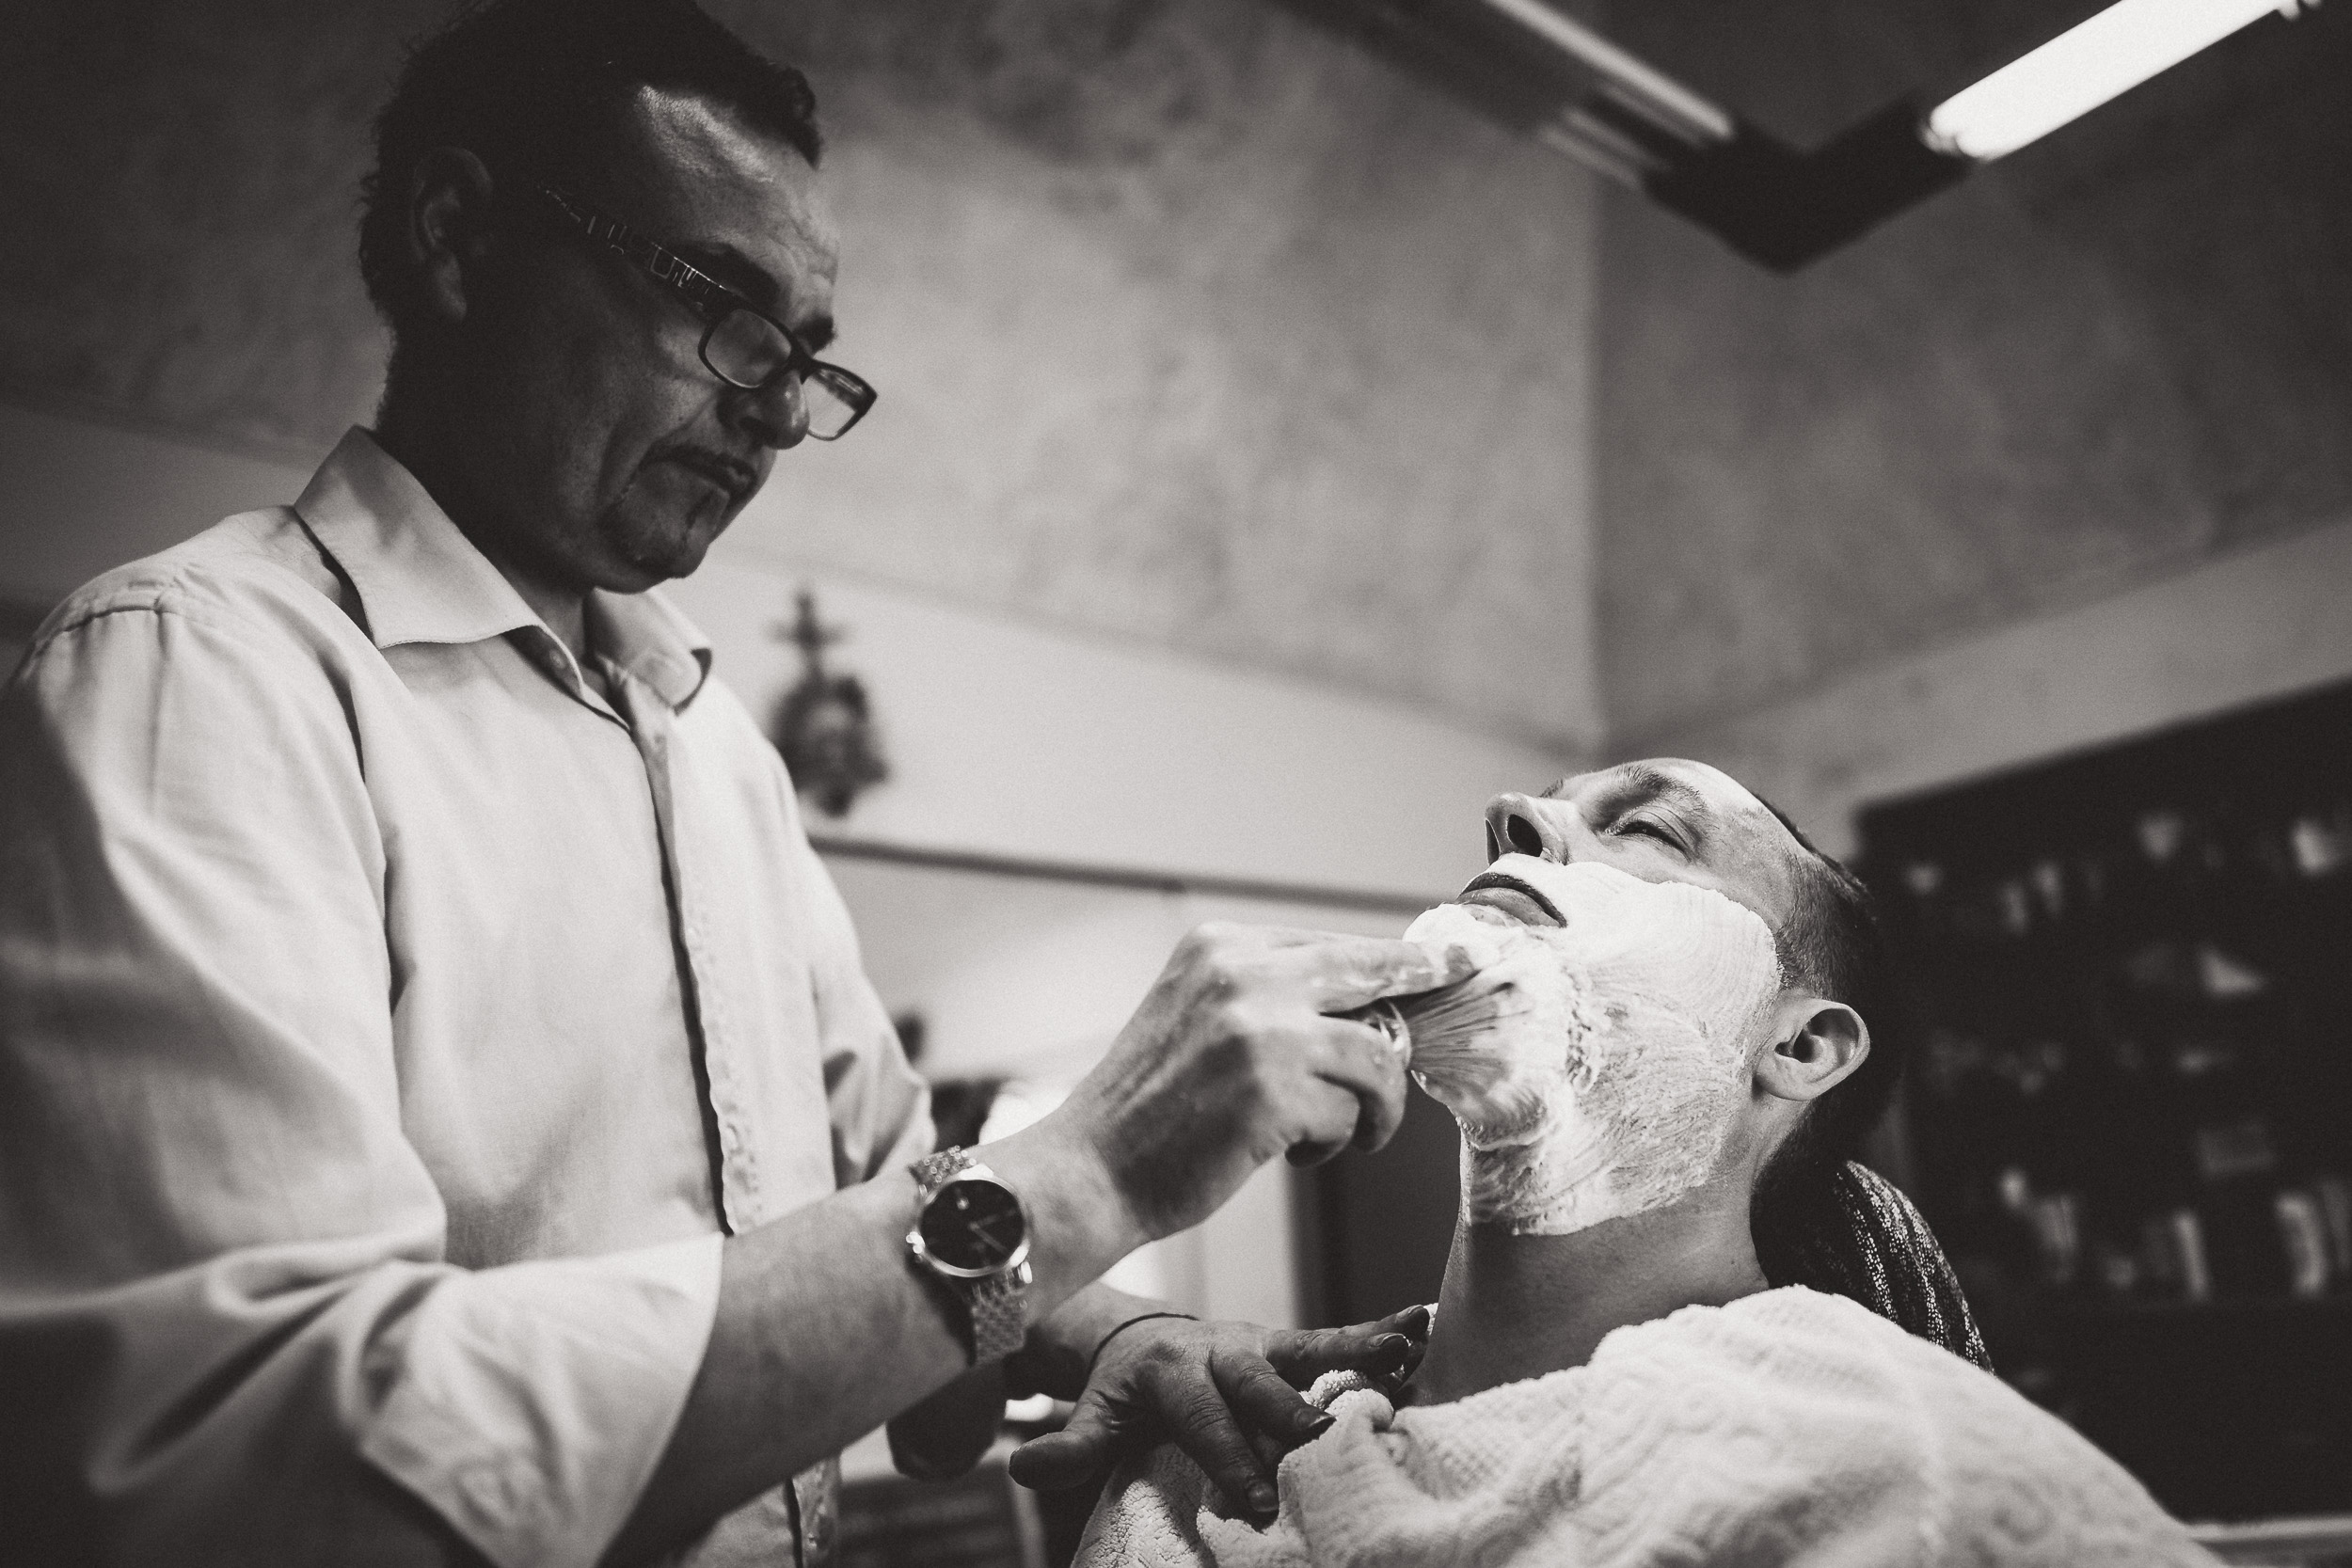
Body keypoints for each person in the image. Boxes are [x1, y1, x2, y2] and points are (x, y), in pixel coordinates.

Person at [0, 3, 1464, 1563]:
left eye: (810, 354)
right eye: (719, 303)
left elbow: (898, 1173)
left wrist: (1108, 1338)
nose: (775, 408)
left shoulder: (713, 747)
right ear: (458, 240)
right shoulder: (205, 675)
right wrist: (1091, 1164)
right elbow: (240, 1445)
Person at [1078, 759, 2219, 1567]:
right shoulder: (1216, 1463)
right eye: (1549, 809)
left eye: (1652, 829)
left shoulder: (1904, 1475)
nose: (1509, 813)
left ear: (1800, 1046)